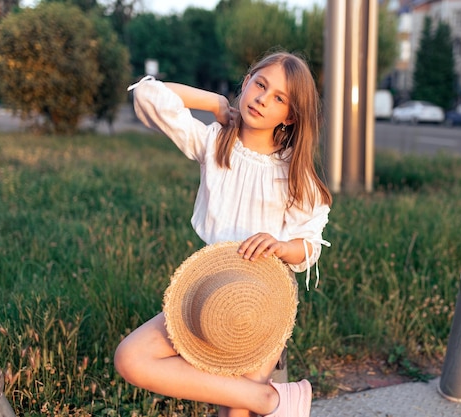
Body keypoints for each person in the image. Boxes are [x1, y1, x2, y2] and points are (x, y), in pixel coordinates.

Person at [114, 51, 332, 417]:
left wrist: (282, 246)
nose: (263, 99)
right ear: (245, 83)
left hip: (262, 302)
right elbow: (147, 96)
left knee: (234, 410)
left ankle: (255, 394)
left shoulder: (292, 171)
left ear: (290, 116)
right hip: (208, 292)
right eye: (259, 84)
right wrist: (215, 104)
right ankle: (272, 400)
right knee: (130, 358)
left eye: (279, 98)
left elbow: (310, 245)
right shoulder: (215, 144)